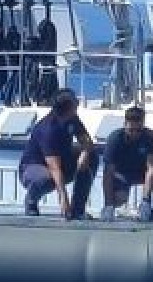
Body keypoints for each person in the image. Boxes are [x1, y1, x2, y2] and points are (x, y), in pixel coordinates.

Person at [18, 88, 97, 219]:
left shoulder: (73, 119)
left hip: (62, 160)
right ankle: (31, 200)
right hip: (35, 167)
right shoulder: (48, 129)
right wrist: (63, 198)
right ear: (68, 107)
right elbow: (54, 167)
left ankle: (78, 208)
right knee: (47, 178)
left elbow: (86, 140)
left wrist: (85, 152)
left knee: (92, 157)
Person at [100, 106, 153, 222]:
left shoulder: (150, 137)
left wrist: (146, 200)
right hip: (123, 174)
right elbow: (108, 174)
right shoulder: (114, 139)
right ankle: (109, 207)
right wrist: (108, 204)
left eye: (138, 130)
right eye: (131, 130)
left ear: (143, 125)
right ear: (125, 124)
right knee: (120, 199)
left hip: (142, 172)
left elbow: (151, 169)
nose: (135, 134)